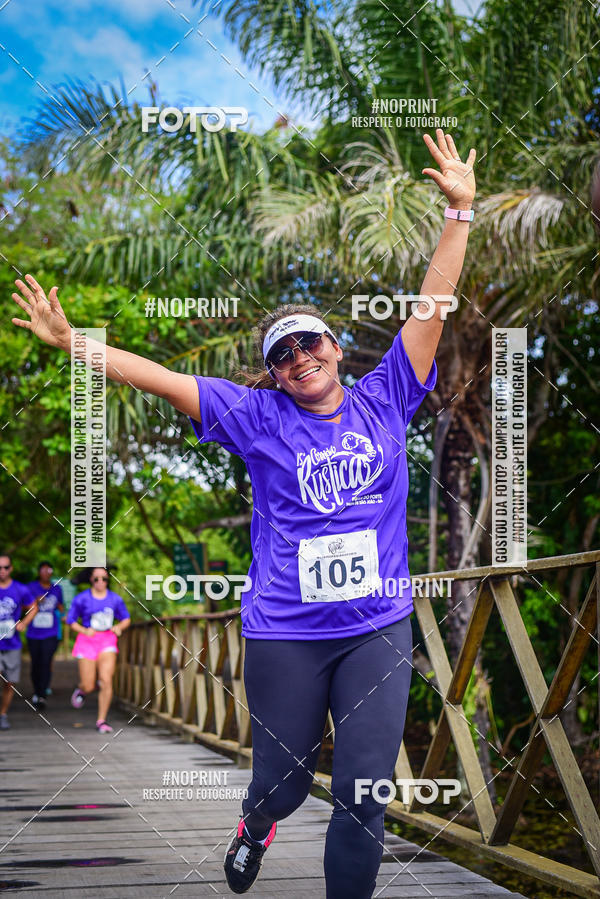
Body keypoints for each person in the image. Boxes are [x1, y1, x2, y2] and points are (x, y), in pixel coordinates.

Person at [10, 129, 475, 897]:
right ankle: (255, 824)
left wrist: (458, 214)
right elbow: (158, 377)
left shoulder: (387, 395)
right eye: (282, 353)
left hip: (377, 625)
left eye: (309, 342)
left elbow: (431, 306)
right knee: (283, 787)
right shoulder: (256, 417)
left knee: (363, 798)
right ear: (274, 372)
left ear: (336, 345)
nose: (298, 358)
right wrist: (74, 345)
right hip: (286, 632)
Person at [65, 568, 130, 734]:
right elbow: (71, 620)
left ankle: (101, 720)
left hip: (107, 640)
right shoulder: (82, 599)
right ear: (91, 580)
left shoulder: (115, 599)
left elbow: (126, 619)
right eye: (96, 579)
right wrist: (84, 630)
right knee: (89, 684)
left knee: (106, 679)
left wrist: (119, 627)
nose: (101, 582)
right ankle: (82, 690)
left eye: (104, 579)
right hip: (87, 641)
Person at [0, 554, 40, 729]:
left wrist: (24, 622)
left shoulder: (19, 589)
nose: (2, 571)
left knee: (9, 682)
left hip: (12, 643)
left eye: (6, 567)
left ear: (11, 568)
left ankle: (3, 714)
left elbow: (33, 607)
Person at [26, 561, 64, 709]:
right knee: (36, 663)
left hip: (51, 632)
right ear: (39, 572)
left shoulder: (57, 589)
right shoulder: (31, 587)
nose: (46, 572)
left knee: (46, 661)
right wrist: (36, 601)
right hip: (34, 633)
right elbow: (24, 606)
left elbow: (61, 607)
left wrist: (63, 613)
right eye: (43, 570)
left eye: (49, 570)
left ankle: (42, 695)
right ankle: (36, 691)